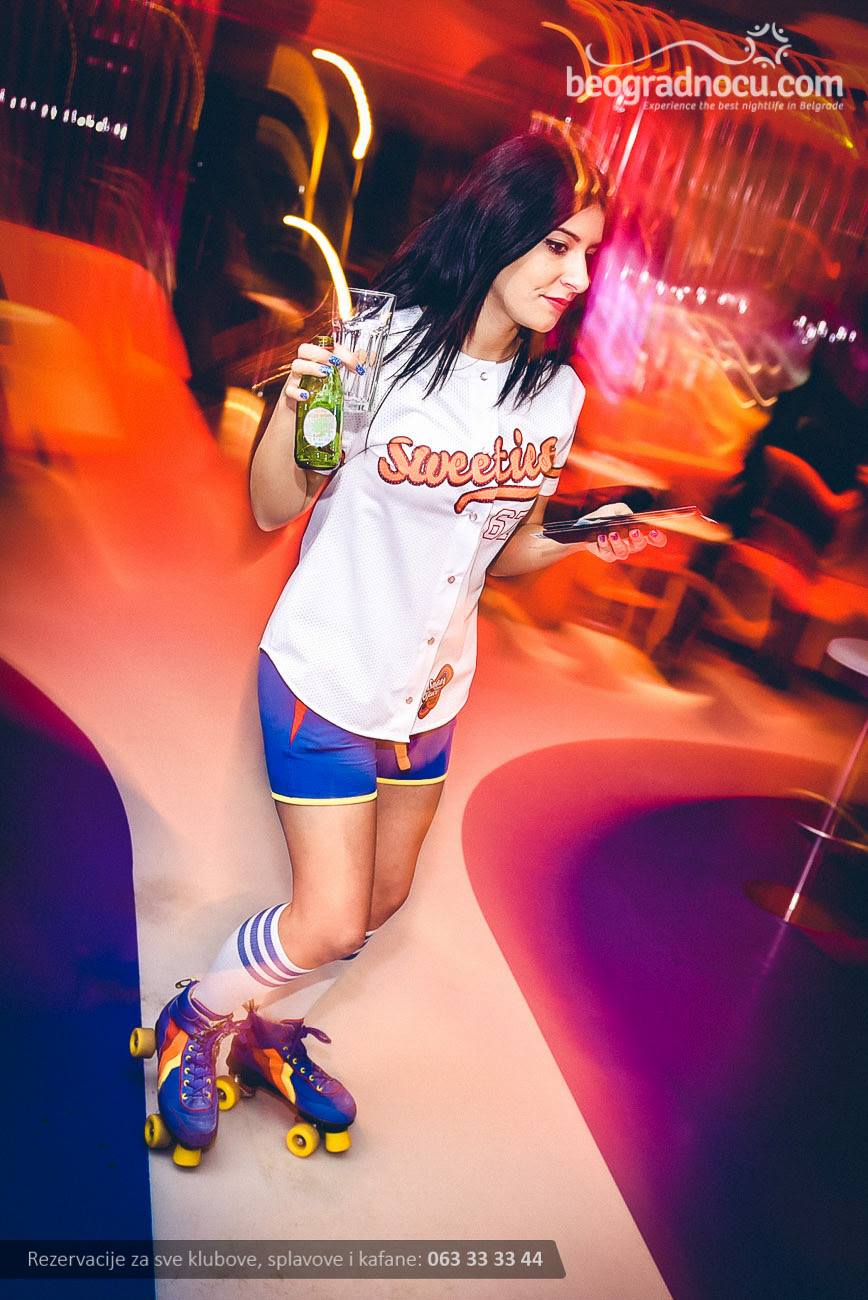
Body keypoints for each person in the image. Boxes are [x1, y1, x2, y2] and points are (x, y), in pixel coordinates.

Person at [131, 130, 667, 1166]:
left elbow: (505, 553)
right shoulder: (377, 345)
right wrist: (303, 404)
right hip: (328, 671)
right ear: (500, 227)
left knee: (379, 901)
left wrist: (586, 535)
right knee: (331, 919)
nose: (576, 277)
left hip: (432, 691)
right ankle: (198, 1016)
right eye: (557, 246)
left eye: (588, 254)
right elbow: (271, 506)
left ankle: (270, 1028)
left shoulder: (552, 397)